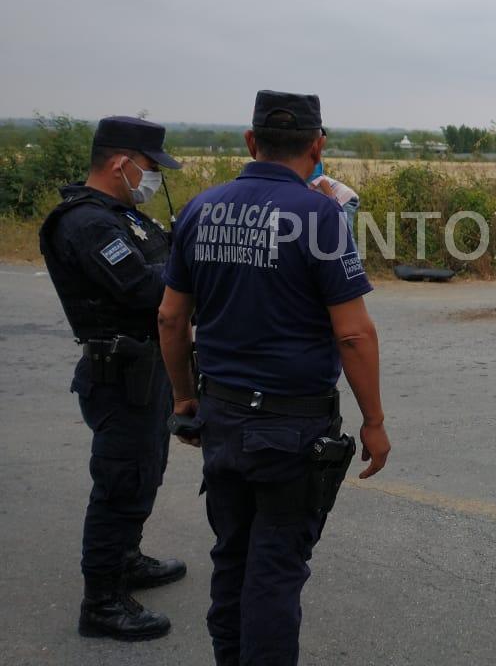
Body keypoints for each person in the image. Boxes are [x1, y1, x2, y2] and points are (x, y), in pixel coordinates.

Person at [158, 90, 391, 665]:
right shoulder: (321, 216)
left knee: (232, 559)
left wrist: (184, 397)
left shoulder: (199, 208)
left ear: (250, 141)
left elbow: (169, 316)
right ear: (318, 146)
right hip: (291, 428)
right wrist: (376, 422)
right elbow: (355, 334)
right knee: (276, 573)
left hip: (221, 416)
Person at [38, 116, 187, 641]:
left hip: (148, 371)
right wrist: (188, 279)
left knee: (146, 471)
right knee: (119, 482)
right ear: (121, 164)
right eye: (150, 168)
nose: (154, 180)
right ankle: (101, 602)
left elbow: (169, 265)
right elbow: (147, 292)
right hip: (118, 373)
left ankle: (126, 558)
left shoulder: (128, 218)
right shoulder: (88, 223)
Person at [308, 161, 360, 230]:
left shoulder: (316, 179)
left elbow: (324, 183)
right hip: (343, 199)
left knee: (345, 233)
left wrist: (334, 208)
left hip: (345, 200)